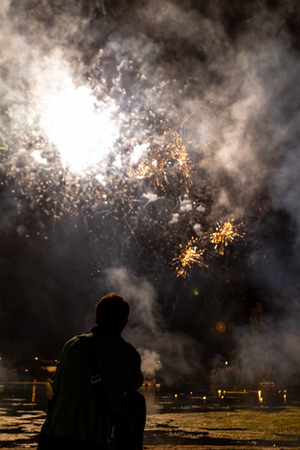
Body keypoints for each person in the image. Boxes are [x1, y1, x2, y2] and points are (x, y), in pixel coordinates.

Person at [38, 293, 145, 450]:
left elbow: (56, 385)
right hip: (95, 439)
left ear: (96, 318)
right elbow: (134, 386)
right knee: (137, 400)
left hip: (55, 435)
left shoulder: (73, 345)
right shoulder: (129, 354)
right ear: (125, 323)